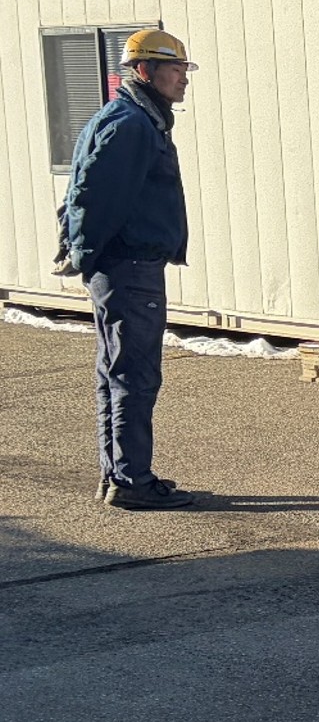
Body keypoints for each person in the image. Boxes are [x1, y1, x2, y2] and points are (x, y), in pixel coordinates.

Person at [60, 28, 198, 510]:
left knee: (116, 372)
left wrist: (82, 252)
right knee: (135, 376)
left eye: (184, 69)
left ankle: (118, 474)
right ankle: (132, 481)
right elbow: (94, 196)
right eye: (175, 69)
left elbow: (80, 192)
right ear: (144, 71)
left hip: (122, 267)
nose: (183, 79)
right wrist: (85, 251)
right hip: (130, 269)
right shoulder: (132, 125)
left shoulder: (125, 117)